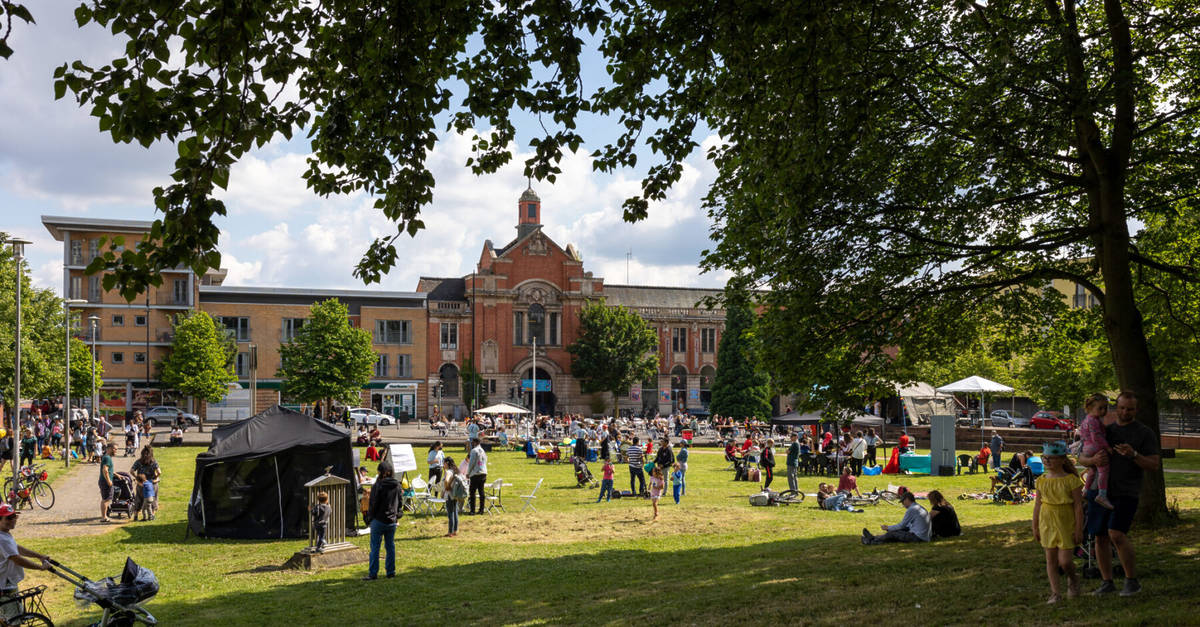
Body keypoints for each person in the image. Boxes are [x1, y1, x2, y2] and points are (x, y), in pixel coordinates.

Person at [1078, 391, 1160, 597]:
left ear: (1136, 409)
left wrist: (1133, 454)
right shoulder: (1104, 429)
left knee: (1116, 533)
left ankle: (1131, 581)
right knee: (1099, 536)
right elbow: (1081, 456)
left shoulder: (1144, 433)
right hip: (1098, 490)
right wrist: (1092, 461)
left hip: (1126, 491)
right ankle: (1107, 582)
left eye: (1130, 409)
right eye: (1121, 408)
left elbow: (1154, 465)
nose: (1125, 412)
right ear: (1116, 407)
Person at [1032, 441, 1083, 603]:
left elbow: (1078, 507)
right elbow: (1037, 505)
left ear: (1062, 459)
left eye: (1051, 458)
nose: (1047, 461)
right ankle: (1055, 593)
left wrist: (1079, 529)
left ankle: (1073, 579)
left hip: (1066, 522)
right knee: (1051, 560)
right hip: (1047, 522)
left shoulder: (1071, 480)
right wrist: (1035, 527)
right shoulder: (1041, 480)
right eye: (1045, 458)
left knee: (1066, 561)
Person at [0, 503, 52, 623]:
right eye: (8, 518)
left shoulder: (5, 534)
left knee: (7, 617)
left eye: (14, 516)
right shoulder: (1, 538)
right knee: (14, 621)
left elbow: (17, 548)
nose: (13, 519)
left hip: (7, 583)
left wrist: (39, 556)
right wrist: (40, 567)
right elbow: (17, 558)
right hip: (4, 586)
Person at [363, 461, 401, 580]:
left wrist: (369, 518)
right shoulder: (397, 485)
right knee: (390, 547)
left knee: (375, 547)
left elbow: (373, 503)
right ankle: (391, 571)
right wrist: (397, 515)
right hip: (391, 520)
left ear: (381, 473)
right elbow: (400, 502)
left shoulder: (378, 485)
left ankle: (373, 573)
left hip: (379, 519)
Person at [1079, 393, 1114, 510]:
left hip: (1087, 448)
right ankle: (1102, 495)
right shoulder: (1094, 420)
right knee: (1104, 470)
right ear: (1090, 408)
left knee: (1092, 470)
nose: (1104, 410)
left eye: (1106, 407)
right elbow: (1097, 437)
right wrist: (1107, 447)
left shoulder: (1086, 420)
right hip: (1094, 447)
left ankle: (1086, 490)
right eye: (1100, 408)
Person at [861, 491, 930, 544]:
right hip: (923, 536)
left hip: (918, 537)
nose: (903, 504)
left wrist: (888, 528)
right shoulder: (917, 507)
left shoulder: (912, 509)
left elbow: (902, 525)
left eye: (903, 502)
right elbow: (907, 525)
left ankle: (871, 541)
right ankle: (873, 538)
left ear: (907, 499)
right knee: (896, 532)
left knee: (893, 533)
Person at [467, 438, 488, 515]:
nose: (472, 443)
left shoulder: (474, 451)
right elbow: (486, 460)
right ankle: (481, 509)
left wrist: (468, 472)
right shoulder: (483, 450)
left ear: (475, 442)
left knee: (472, 492)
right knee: (481, 492)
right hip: (483, 472)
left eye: (472, 442)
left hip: (475, 473)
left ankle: (472, 510)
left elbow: (471, 463)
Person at [443, 457, 463, 537]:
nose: (443, 464)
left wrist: (446, 487)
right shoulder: (456, 471)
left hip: (449, 494)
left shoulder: (448, 472)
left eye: (444, 463)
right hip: (455, 494)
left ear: (447, 463)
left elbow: (446, 480)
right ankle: (455, 530)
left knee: (450, 513)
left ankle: (450, 532)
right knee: (455, 512)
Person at [99, 442, 116, 523]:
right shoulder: (107, 458)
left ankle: (104, 515)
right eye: (114, 449)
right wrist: (109, 481)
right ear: (109, 448)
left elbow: (108, 470)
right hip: (105, 481)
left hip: (103, 480)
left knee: (105, 499)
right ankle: (104, 517)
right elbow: (105, 470)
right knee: (106, 499)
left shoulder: (107, 457)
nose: (116, 451)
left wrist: (116, 474)